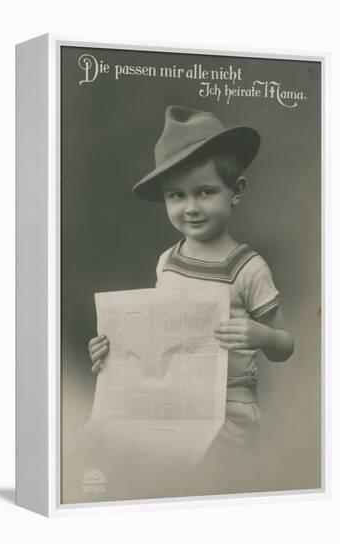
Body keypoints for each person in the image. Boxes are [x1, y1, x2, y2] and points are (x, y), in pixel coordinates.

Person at [88, 105, 294, 491]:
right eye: (176, 196)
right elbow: (154, 337)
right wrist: (110, 350)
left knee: (219, 491)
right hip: (172, 408)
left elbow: (286, 344)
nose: (191, 207)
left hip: (230, 413)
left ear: (236, 192)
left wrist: (259, 335)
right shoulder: (168, 261)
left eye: (205, 192)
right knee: (160, 488)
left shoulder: (248, 268)